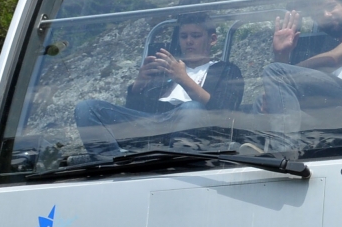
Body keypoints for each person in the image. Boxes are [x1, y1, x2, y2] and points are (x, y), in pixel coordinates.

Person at [75, 16, 244, 160]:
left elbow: (224, 112)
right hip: (154, 123)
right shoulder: (165, 68)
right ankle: (110, 162)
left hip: (195, 125)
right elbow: (134, 112)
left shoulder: (226, 70)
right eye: (183, 36)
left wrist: (183, 78)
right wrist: (138, 85)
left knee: (192, 108)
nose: (189, 41)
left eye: (196, 36)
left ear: (212, 39)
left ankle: (175, 160)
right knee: (87, 108)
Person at [254, 0, 342, 150]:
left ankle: (282, 153)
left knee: (276, 71)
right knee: (263, 102)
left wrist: (285, 73)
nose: (326, 15)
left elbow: (334, 59)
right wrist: (282, 54)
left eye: (331, 7)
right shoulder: (331, 63)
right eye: (319, 14)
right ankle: (257, 153)